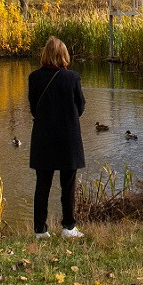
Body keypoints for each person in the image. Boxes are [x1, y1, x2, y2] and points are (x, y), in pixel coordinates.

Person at [27, 36, 86, 238]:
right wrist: (67, 116)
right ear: (64, 55)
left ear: (45, 54)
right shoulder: (72, 78)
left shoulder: (34, 78)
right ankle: (68, 227)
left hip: (43, 137)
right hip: (68, 138)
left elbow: (33, 108)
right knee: (67, 185)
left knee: (42, 185)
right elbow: (81, 107)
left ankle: (40, 230)